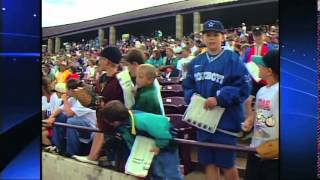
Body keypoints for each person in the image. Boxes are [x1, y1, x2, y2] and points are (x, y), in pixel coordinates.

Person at [183, 20, 251, 180]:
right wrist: (192, 96)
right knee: (208, 163)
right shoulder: (196, 62)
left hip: (225, 123)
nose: (211, 38)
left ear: (223, 37)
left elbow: (244, 87)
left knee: (227, 165)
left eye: (216, 35)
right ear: (202, 38)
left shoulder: (232, 59)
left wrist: (220, 98)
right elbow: (188, 85)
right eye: (208, 35)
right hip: (203, 121)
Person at [100, 100, 183, 180]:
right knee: (157, 173)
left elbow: (163, 135)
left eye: (111, 122)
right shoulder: (124, 124)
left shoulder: (140, 121)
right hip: (150, 145)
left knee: (171, 173)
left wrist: (159, 147)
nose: (110, 124)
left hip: (166, 144)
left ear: (116, 121)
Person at [242, 50, 279, 180]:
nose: (258, 67)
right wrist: (249, 120)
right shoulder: (262, 90)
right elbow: (258, 113)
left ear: (269, 71)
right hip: (256, 149)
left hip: (274, 155)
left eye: (261, 65)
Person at [47, 80, 97, 156]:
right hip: (79, 125)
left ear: (70, 90)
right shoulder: (72, 98)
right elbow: (60, 109)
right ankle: (58, 147)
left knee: (71, 121)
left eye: (66, 90)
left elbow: (69, 113)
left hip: (90, 130)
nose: (65, 92)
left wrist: (64, 100)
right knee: (60, 117)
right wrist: (51, 117)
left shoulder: (84, 99)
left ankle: (71, 152)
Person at [42, 78, 62, 147]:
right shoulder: (44, 98)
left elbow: (53, 119)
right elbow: (44, 115)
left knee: (42, 135)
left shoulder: (54, 98)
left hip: (56, 126)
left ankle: (51, 149)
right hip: (48, 124)